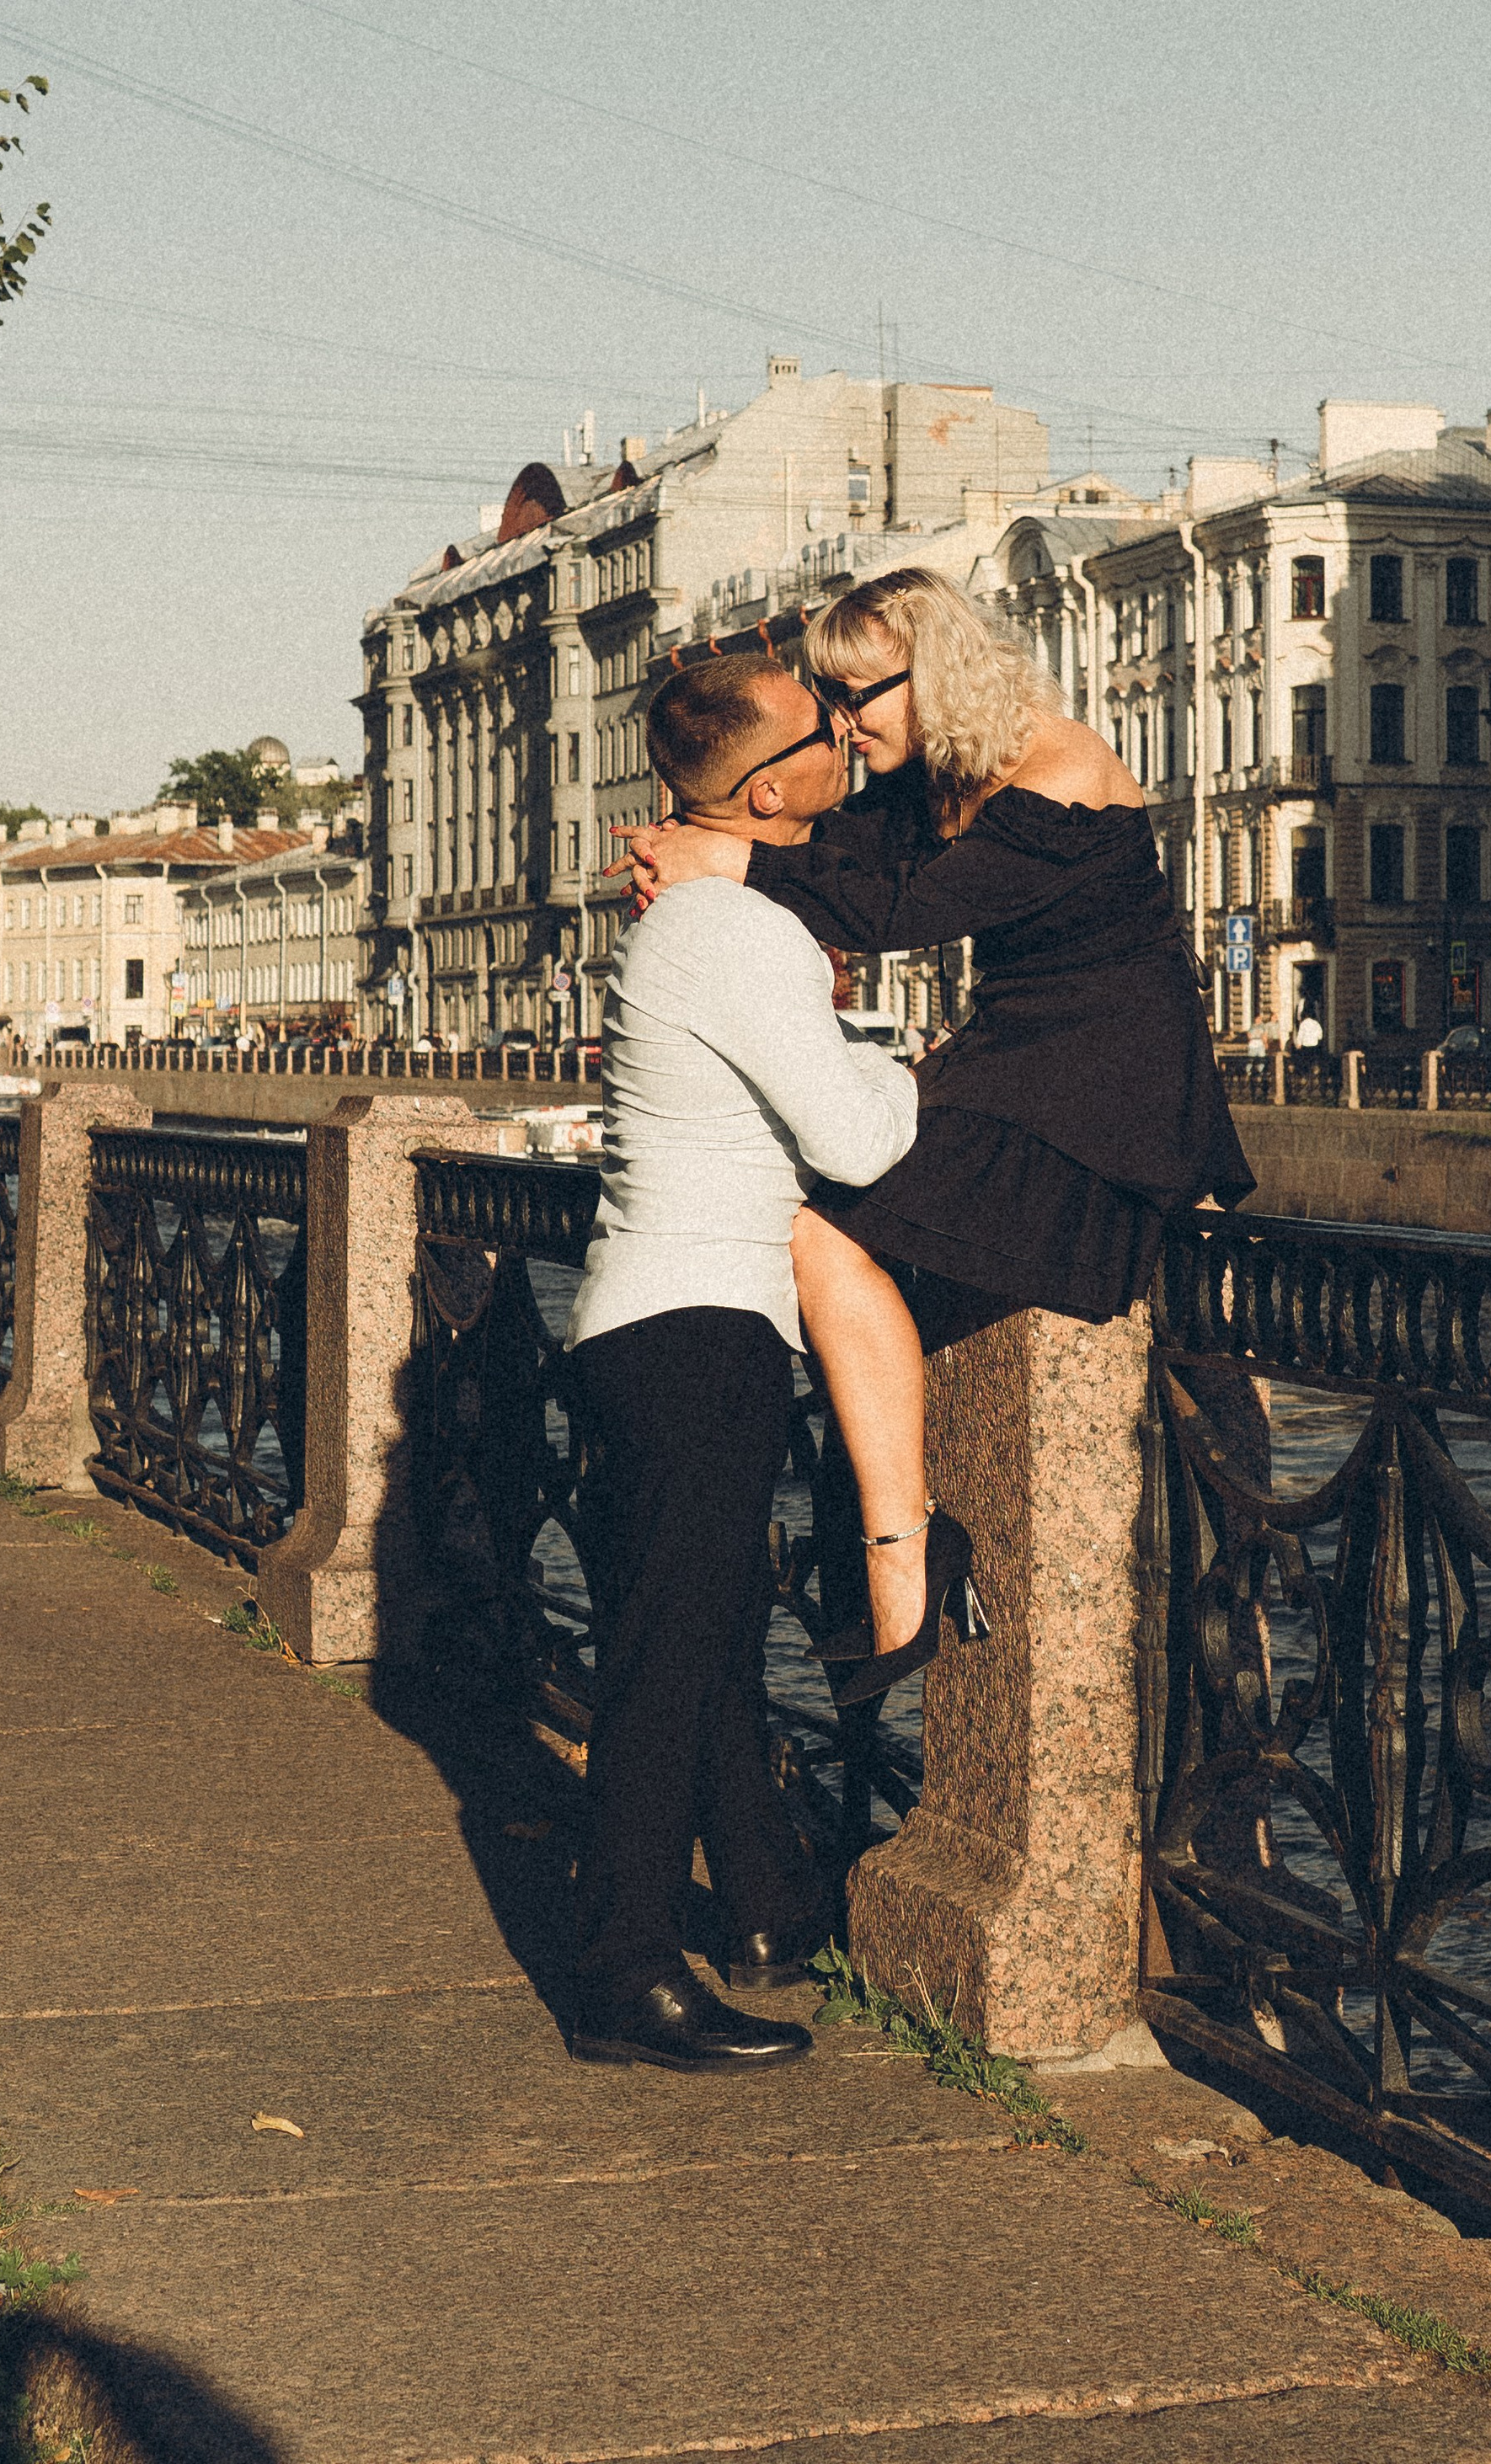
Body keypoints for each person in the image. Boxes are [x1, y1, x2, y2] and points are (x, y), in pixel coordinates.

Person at [623, 567, 1253, 1697]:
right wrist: (700, 851)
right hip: (1014, 1063)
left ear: (937, 674)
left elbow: (900, 914)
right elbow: (835, 851)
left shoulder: (1059, 770)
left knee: (823, 1236)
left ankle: (899, 1557)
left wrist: (726, 861)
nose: (845, 724)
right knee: (825, 1232)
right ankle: (896, 1549)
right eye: (831, 699)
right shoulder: (937, 779)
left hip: (1106, 1088)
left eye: (859, 696)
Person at [561, 653, 919, 2076]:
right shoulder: (733, 933)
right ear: (775, 792)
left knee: (699, 1647)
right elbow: (859, 1141)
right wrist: (906, 1062)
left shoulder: (693, 924)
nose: (848, 739)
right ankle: (623, 1968)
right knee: (667, 1660)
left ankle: (766, 1908)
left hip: (641, 1324)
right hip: (705, 1328)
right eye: (825, 732)